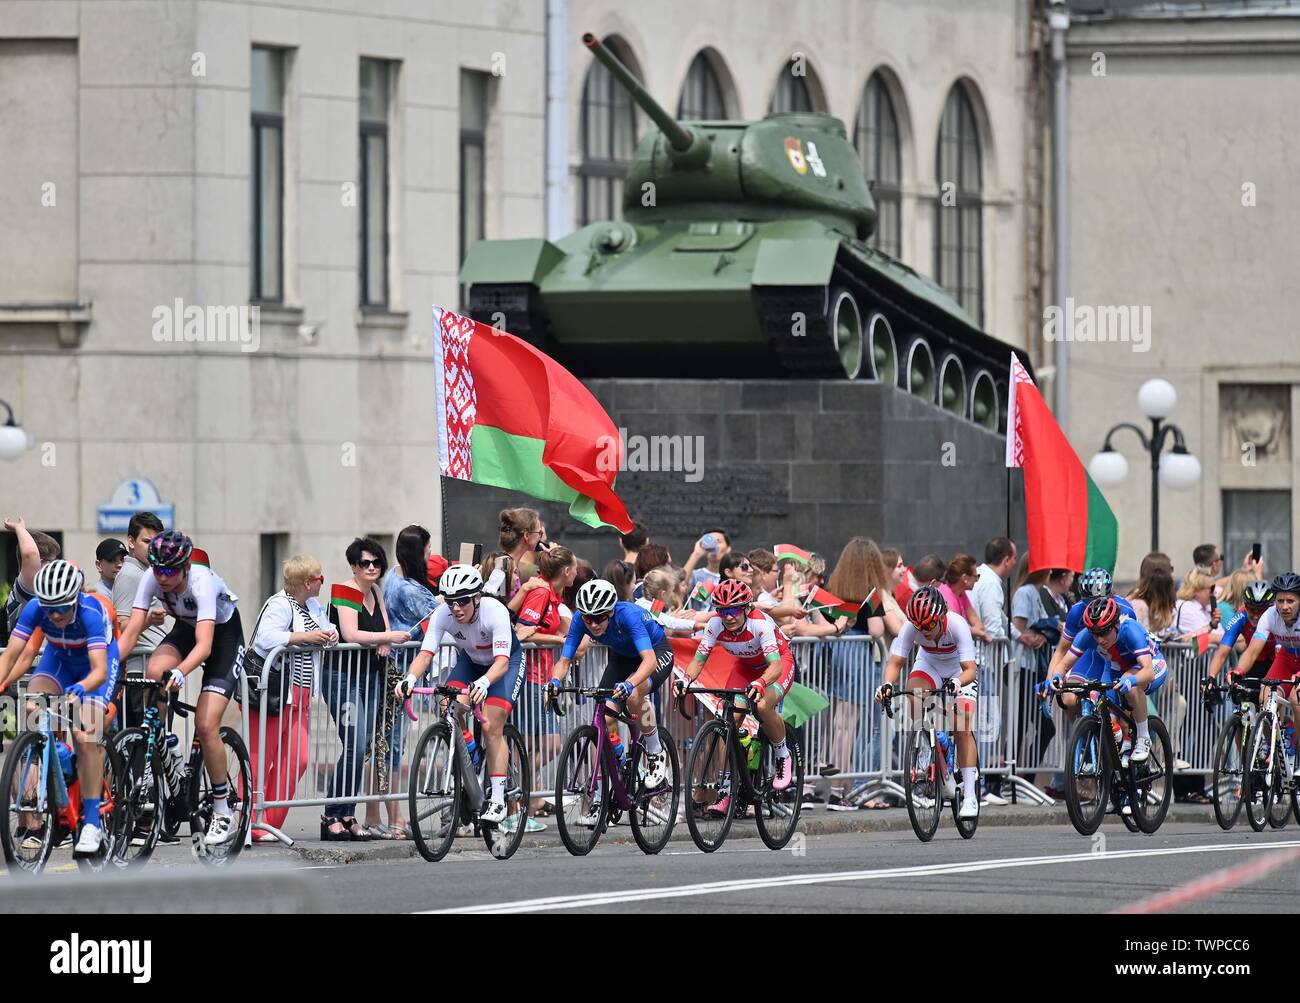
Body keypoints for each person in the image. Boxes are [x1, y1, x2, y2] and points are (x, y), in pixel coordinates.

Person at [117, 531, 244, 845]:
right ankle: (160, 743)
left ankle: (222, 809)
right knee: (154, 671)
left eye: (169, 571)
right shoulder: (151, 577)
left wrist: (182, 671)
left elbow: (204, 646)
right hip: (186, 629)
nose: (162, 577)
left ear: (186, 567)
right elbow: (131, 632)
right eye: (157, 569)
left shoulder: (202, 582)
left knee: (206, 723)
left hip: (222, 637)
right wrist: (106, 666)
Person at [0, 561, 119, 854]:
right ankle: (59, 758)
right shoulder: (35, 608)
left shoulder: (91, 613)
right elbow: (11, 655)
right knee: (32, 708)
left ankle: (92, 823)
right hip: (59, 660)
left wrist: (81, 688)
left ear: (75, 599)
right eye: (49, 608)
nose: (54, 614)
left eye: (62, 608)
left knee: (85, 735)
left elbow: (99, 672)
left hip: (95, 668)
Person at [397, 565, 525, 825]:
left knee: (490, 726)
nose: (456, 608)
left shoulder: (495, 611)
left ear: (477, 597)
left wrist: (485, 682)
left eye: (463, 601)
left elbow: (501, 663)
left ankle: (498, 799)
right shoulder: (443, 614)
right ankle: (470, 749)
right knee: (448, 703)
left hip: (505, 664)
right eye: (451, 601)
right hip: (472, 662)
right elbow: (425, 654)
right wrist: (409, 679)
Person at [545, 579, 675, 825]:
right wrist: (554, 681)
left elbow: (648, 662)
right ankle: (612, 778)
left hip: (655, 653)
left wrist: (630, 683)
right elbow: (564, 660)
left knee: (634, 695)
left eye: (600, 618)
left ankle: (656, 752)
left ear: (612, 611)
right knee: (604, 719)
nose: (593, 624)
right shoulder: (580, 620)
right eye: (588, 618)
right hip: (622, 658)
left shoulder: (628, 615)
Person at [674, 580, 798, 808]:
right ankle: (727, 788)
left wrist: (761, 683)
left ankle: (783, 754)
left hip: (778, 664)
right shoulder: (715, 624)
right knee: (728, 721)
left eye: (733, 610)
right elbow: (698, 661)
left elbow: (775, 666)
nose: (728, 617)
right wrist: (684, 680)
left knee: (762, 706)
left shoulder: (759, 623)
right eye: (722, 611)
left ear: (747, 608)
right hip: (745, 667)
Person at [320, 538, 409, 841]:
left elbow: (384, 626)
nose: (371, 568)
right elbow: (350, 633)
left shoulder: (377, 592)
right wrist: (386, 637)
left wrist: (385, 639)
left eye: (376, 563)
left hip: (370, 675)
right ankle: (332, 814)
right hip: (342, 676)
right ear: (354, 566)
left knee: (364, 747)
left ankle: (347, 814)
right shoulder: (344, 591)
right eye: (364, 563)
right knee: (355, 745)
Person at [247, 554, 338, 841]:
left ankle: (268, 822)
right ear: (307, 582)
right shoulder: (279, 604)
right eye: (320, 577)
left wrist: (330, 635)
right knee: (261, 758)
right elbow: (265, 638)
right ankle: (250, 821)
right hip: (274, 693)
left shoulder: (312, 606)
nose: (323, 582)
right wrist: (304, 638)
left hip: (300, 694)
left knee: (298, 759)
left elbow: (327, 629)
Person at [874, 586, 981, 819]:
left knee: (962, 726)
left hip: (959, 670)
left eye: (930, 625)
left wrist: (956, 682)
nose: (925, 630)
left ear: (941, 617)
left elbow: (970, 670)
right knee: (913, 694)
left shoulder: (957, 624)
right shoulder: (911, 627)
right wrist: (887, 685)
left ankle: (970, 796)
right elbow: (895, 663)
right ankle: (927, 743)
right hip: (929, 663)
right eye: (919, 626)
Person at [821, 537, 898, 808]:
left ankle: (836, 788)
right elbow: (877, 630)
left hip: (839, 649)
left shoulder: (835, 586)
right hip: (858, 654)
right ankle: (839, 791)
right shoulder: (870, 591)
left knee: (839, 724)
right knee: (849, 725)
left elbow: (827, 619)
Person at [1051, 596, 1169, 764]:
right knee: (1109, 721)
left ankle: (1143, 738)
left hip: (1151, 664)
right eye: (1095, 634)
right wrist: (1056, 677)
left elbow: (1148, 672)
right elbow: (1063, 665)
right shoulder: (1087, 636)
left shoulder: (1130, 630)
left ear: (1116, 625)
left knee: (1132, 687)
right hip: (1116, 667)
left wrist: (1131, 681)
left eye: (1104, 632)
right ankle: (1119, 758)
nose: (1100, 639)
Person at [515, 546, 578, 827]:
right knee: (537, 745)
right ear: (565, 571)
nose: (576, 572)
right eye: (574, 568)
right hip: (530, 677)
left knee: (547, 745)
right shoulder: (541, 593)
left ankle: (524, 800)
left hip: (543, 678)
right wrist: (559, 641)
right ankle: (517, 804)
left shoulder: (553, 595)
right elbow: (522, 632)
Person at [1047, 568, 1137, 724]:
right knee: (1068, 699)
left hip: (1119, 659)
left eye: (1098, 601)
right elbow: (1061, 650)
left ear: (1110, 595)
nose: (1093, 607)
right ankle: (1084, 731)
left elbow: (1134, 648)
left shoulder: (1125, 610)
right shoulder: (1076, 612)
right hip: (1093, 655)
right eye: (1088, 602)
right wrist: (1050, 681)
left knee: (1121, 718)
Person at [1227, 573, 1300, 734]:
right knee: (1265, 699)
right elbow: (1252, 651)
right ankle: (1270, 744)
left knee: (1296, 698)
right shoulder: (1269, 616)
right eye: (1280, 601)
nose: (1285, 606)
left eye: (1290, 601)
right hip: (1286, 659)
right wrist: (1239, 670)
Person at [1204, 580, 1276, 688]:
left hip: (1277, 663)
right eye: (1251, 610)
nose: (1256, 616)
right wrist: (1211, 677)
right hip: (1252, 663)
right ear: (1245, 606)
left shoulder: (1277, 618)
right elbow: (1222, 652)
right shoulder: (1240, 617)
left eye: (1261, 611)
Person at [3, 516, 61, 632]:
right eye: (52, 561)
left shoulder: (46, 590)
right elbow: (30, 554)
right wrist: (19, 529)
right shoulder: (28, 586)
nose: (56, 566)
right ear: (40, 563)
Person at [939, 554, 991, 643]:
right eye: (975, 576)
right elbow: (955, 627)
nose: (976, 580)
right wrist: (980, 633)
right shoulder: (945, 594)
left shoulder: (961, 594)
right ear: (965, 578)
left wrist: (973, 631)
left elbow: (977, 624)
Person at [682, 529, 731, 608]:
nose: (714, 545)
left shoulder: (734, 576)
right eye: (710, 541)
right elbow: (679, 586)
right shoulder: (696, 575)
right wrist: (696, 554)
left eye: (718, 541)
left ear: (728, 548)